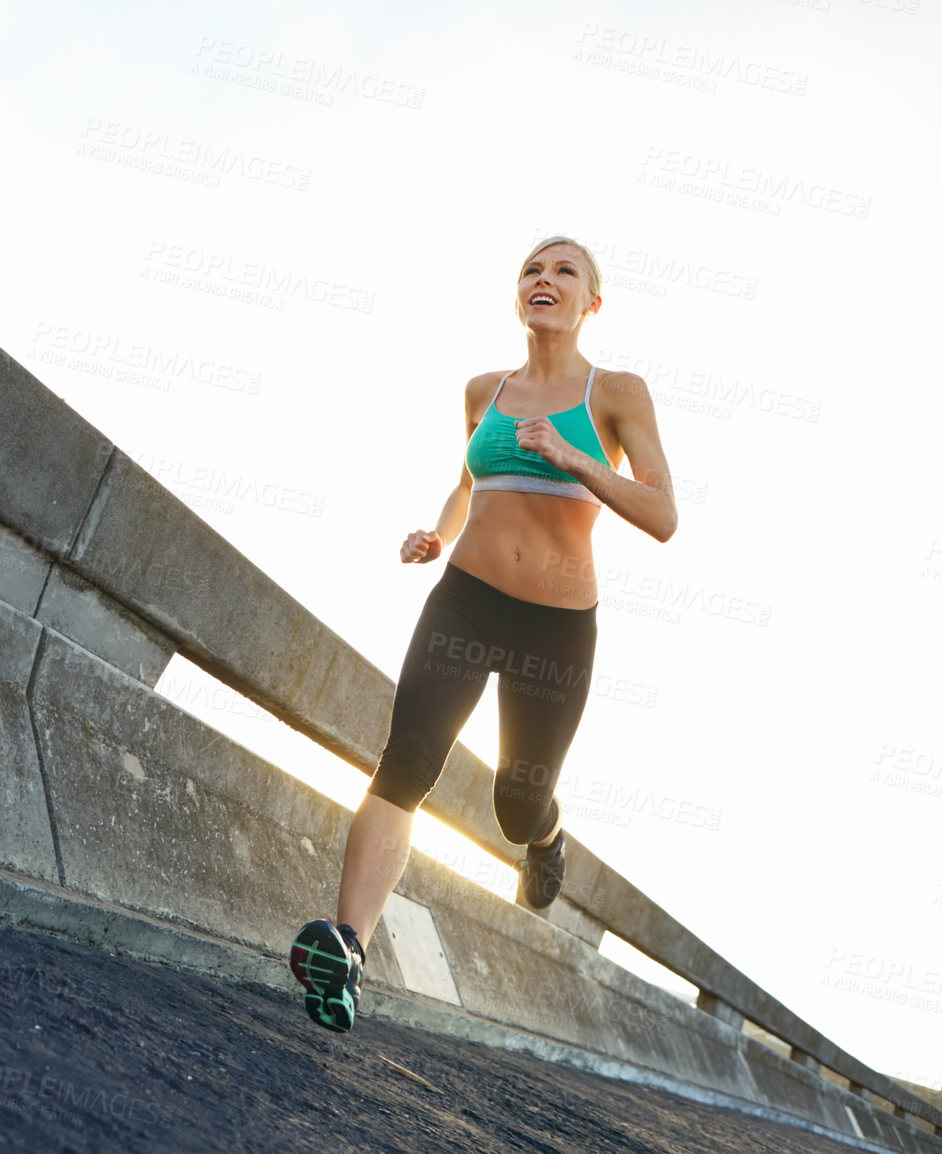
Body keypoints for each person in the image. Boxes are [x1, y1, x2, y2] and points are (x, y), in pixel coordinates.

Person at [289, 236, 678, 1032]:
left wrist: (574, 457)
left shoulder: (618, 393)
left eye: (565, 271)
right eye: (533, 270)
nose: (546, 279)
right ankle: (348, 952)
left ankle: (548, 835)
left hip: (557, 628)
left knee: (515, 804)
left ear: (590, 304)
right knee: (407, 762)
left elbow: (662, 515)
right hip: (464, 599)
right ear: (517, 297)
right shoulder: (482, 391)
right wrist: (437, 535)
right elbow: (469, 481)